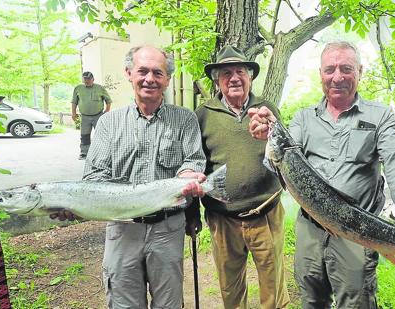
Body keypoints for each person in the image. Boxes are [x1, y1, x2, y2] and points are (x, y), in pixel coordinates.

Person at [249, 41, 395, 309]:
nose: (338, 77)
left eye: (346, 69)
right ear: (321, 75)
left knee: (355, 302)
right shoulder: (303, 119)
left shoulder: (379, 116)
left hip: (358, 231)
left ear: (360, 71)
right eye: (330, 70)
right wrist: (266, 132)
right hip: (309, 230)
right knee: (312, 300)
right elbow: (284, 163)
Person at [55, 45, 207, 308]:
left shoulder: (185, 119)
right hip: (121, 229)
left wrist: (187, 177)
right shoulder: (108, 123)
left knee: (169, 304)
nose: (150, 79)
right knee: (124, 303)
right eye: (143, 71)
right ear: (129, 73)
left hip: (167, 228)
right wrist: (78, 204)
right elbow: (94, 177)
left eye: (158, 73)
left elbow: (193, 160)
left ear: (167, 79)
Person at [196, 45, 289, 309]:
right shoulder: (203, 114)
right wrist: (192, 212)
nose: (234, 77)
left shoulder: (266, 109)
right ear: (217, 80)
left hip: (266, 215)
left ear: (250, 77)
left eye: (240, 71)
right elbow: (195, 166)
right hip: (223, 219)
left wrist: (272, 129)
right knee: (230, 290)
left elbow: (284, 152)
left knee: (273, 291)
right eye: (226, 73)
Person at [71, 71, 112, 160]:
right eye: (85, 79)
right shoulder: (78, 88)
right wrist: (73, 113)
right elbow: (74, 102)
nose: (87, 81)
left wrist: (107, 111)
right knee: (84, 135)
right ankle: (84, 153)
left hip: (98, 115)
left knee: (101, 135)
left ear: (93, 79)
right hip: (84, 116)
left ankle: (102, 153)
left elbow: (108, 101)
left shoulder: (100, 88)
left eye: (88, 79)